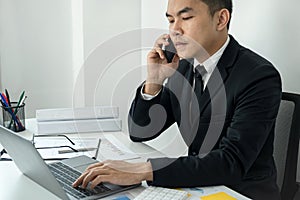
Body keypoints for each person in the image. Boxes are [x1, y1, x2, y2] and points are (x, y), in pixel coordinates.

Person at [73, 0, 282, 199]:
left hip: (241, 191)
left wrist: (144, 170)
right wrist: (154, 80)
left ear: (221, 19)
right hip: (198, 185)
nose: (175, 30)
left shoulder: (258, 75)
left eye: (186, 18)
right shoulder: (183, 67)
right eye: (171, 20)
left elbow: (231, 162)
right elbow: (140, 131)